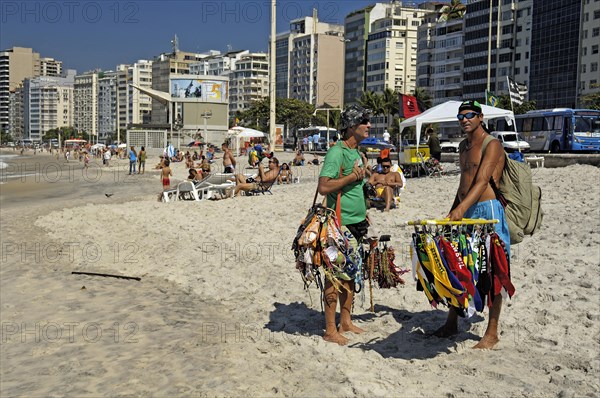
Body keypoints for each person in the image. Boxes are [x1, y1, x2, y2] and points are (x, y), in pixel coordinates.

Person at [437, 100, 511, 349]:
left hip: (487, 211)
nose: (464, 119)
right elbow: (463, 182)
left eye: (469, 115)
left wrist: (460, 209)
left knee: (492, 269)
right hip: (465, 208)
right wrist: (452, 211)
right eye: (460, 116)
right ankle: (451, 322)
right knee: (458, 265)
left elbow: (481, 182)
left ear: (481, 117)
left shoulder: (492, 144)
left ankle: (492, 331)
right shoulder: (463, 146)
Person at [316, 104, 371, 346]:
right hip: (339, 226)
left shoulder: (356, 152)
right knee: (334, 277)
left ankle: (345, 321)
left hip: (356, 224)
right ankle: (330, 329)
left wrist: (365, 212)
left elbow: (356, 188)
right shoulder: (336, 153)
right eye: (364, 121)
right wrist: (351, 177)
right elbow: (324, 187)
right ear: (351, 126)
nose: (369, 125)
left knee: (350, 275)